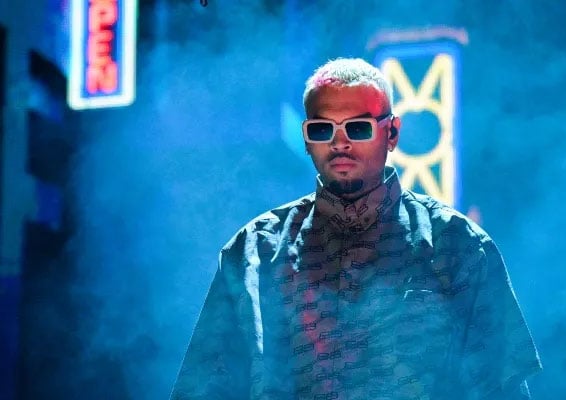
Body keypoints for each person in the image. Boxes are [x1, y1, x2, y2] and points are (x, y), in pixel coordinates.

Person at [171, 58, 541, 399]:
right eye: (322, 129)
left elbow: (501, 390)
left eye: (358, 127)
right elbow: (205, 389)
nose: (339, 142)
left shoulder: (457, 245)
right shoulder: (254, 253)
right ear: (306, 138)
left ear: (392, 133)